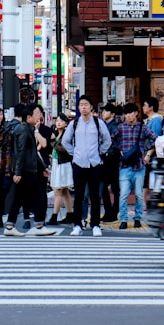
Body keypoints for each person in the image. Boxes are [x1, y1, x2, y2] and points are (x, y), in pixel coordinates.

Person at [3, 104, 57, 237]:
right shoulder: (23, 130)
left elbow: (32, 152)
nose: (40, 116)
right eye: (37, 114)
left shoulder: (29, 129)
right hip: (25, 171)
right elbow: (20, 152)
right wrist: (18, 172)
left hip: (27, 170)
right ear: (29, 117)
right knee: (38, 195)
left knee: (18, 198)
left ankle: (10, 226)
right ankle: (38, 225)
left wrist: (43, 167)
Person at [61, 95, 111, 236]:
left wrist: (100, 152)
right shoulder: (74, 123)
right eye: (81, 104)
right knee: (79, 196)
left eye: (86, 104)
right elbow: (65, 141)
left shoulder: (98, 123)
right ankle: (77, 224)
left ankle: (95, 224)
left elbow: (107, 140)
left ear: (91, 107)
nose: (83, 107)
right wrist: (74, 153)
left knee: (95, 196)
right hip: (78, 163)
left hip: (95, 163)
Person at [112, 102, 156, 230]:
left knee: (138, 194)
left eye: (131, 113)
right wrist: (119, 148)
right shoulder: (121, 127)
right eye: (126, 114)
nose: (128, 116)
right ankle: (124, 219)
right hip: (125, 166)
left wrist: (145, 150)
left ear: (136, 113)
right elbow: (111, 139)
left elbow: (154, 138)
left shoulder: (142, 127)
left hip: (139, 166)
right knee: (123, 194)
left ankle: (137, 218)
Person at [46, 112, 73, 226]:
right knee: (65, 191)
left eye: (61, 121)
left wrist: (53, 142)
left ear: (66, 123)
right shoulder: (56, 134)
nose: (58, 123)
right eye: (57, 120)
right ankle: (70, 214)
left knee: (58, 191)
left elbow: (64, 149)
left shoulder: (66, 135)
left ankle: (54, 216)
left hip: (64, 164)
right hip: (57, 164)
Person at [98, 102, 121, 222]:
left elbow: (112, 143)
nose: (103, 113)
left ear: (112, 114)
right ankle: (108, 211)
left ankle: (113, 212)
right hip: (104, 158)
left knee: (114, 187)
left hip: (112, 159)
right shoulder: (103, 125)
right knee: (103, 186)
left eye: (106, 111)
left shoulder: (115, 126)